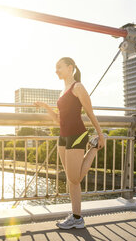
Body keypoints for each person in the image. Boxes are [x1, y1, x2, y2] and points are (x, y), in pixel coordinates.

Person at [35, 57, 106, 229]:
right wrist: (46, 106)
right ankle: (77, 217)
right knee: (71, 180)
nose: (56, 71)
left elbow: (90, 112)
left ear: (70, 68)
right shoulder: (62, 91)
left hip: (77, 135)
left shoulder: (78, 87)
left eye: (59, 67)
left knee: (75, 177)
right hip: (63, 136)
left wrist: (100, 134)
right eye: (55, 68)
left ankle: (94, 149)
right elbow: (59, 119)